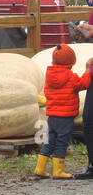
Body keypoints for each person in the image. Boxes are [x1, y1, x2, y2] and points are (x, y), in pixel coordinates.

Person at [34, 45, 92, 179]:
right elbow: (84, 83)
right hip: (65, 117)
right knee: (61, 143)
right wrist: (87, 70)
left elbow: (47, 92)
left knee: (50, 142)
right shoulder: (70, 76)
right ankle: (58, 171)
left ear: (53, 61)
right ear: (72, 62)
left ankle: (39, 169)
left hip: (52, 116)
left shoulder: (48, 75)